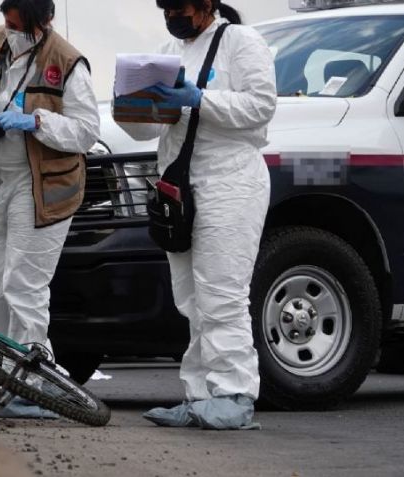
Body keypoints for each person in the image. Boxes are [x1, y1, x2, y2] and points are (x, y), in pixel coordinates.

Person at [116, 0, 277, 430]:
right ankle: (200, 394)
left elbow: (261, 106)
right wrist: (131, 109)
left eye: (178, 6)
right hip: (182, 185)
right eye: (165, 7)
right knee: (192, 297)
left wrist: (199, 98)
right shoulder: (168, 51)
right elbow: (156, 127)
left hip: (231, 180)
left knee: (221, 292)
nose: (171, 14)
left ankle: (234, 394)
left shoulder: (240, 41)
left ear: (206, 4)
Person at [0, 0, 100, 416]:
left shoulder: (67, 62)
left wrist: (36, 121)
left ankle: (36, 384)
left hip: (40, 187)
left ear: (44, 21)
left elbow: (86, 131)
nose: (10, 29)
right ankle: (14, 371)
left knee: (24, 287)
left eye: (19, 25)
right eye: (7, 21)